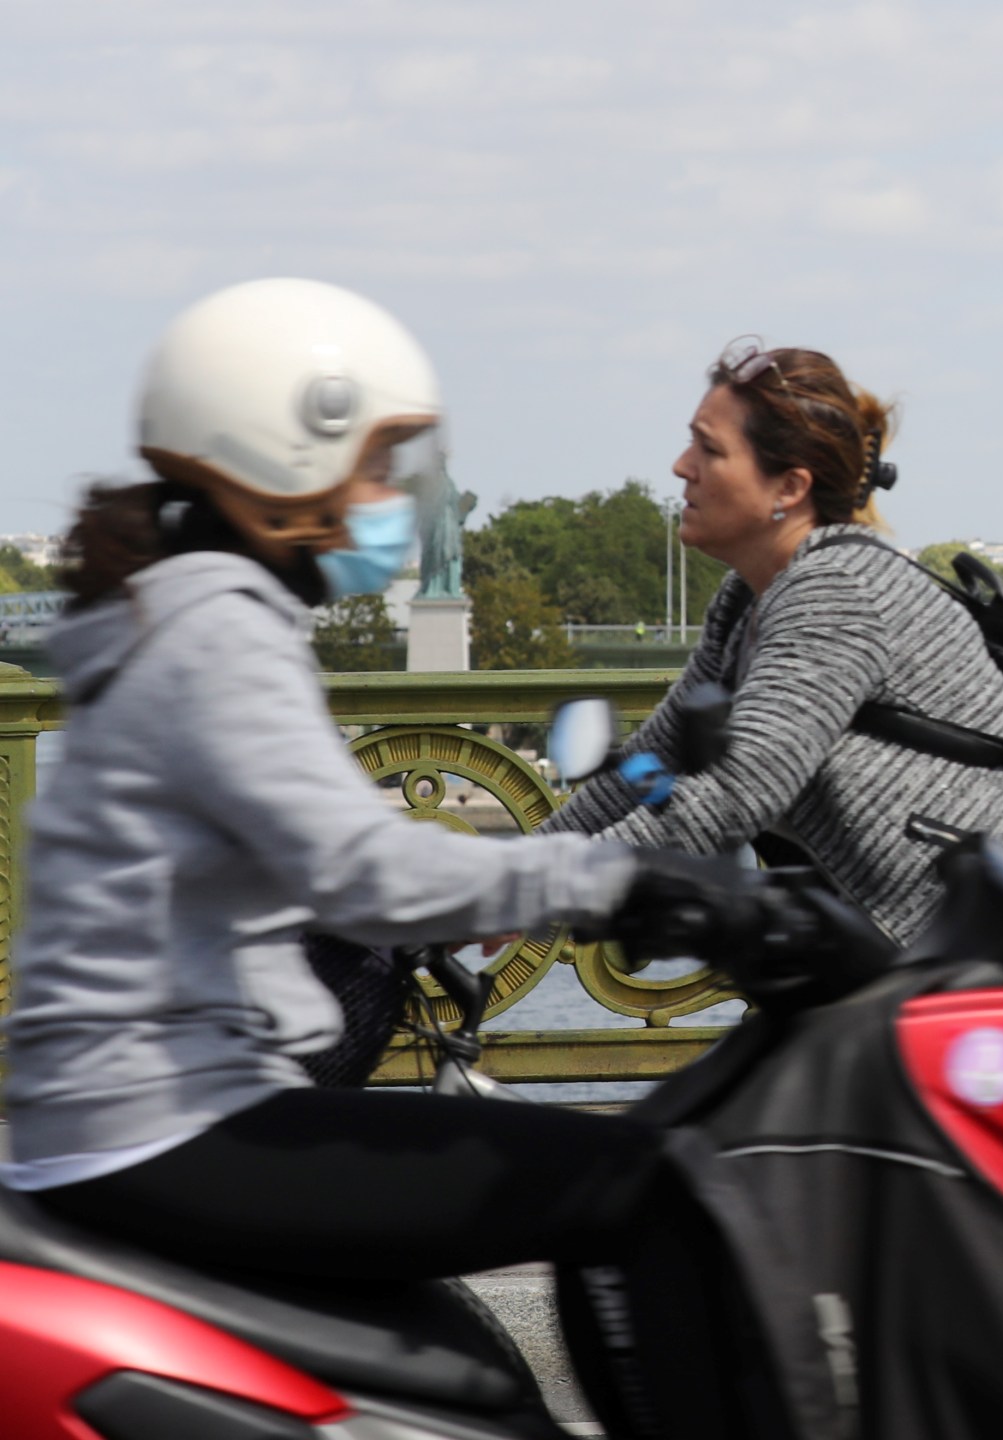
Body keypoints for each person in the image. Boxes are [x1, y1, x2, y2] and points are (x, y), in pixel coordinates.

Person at [0, 278, 784, 1435]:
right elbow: (362, 871)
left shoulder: (178, 615)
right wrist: (616, 881)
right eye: (374, 468)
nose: (388, 502)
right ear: (280, 461)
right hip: (169, 1120)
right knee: (647, 1183)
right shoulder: (217, 632)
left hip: (122, 1117)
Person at [539, 338, 1003, 942]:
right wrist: (519, 867)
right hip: (922, 949)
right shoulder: (747, 598)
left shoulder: (836, 590)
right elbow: (658, 757)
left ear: (789, 488)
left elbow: (736, 793)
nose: (682, 466)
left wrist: (538, 888)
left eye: (709, 449)